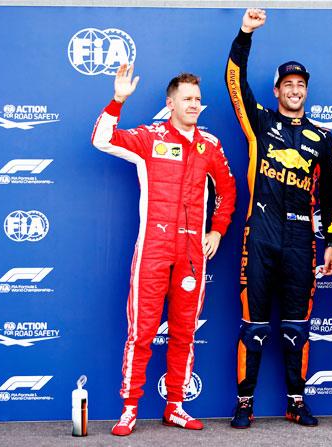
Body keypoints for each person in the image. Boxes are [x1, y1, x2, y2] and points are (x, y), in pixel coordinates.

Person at [91, 65, 236, 435]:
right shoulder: (150, 137)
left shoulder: (210, 145)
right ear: (170, 102)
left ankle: (175, 405)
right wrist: (117, 100)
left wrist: (217, 231)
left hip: (191, 253)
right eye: (187, 99)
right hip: (154, 249)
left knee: (185, 332)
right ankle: (129, 408)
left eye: (198, 100)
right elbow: (102, 140)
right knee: (141, 331)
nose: (194, 105)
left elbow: (228, 190)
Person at [225, 8, 332, 428]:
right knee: (253, 327)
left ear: (306, 91)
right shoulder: (260, 123)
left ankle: (296, 401)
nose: (295, 90)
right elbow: (234, 82)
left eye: (301, 85)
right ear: (276, 90)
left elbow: (330, 196)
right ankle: (244, 403)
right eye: (288, 84)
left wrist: (330, 242)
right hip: (260, 234)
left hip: (300, 239)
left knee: (296, 327)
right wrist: (245, 35)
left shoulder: (322, 137)